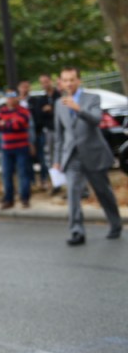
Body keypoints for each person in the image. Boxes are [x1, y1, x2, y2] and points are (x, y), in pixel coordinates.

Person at [53, 66, 122, 245]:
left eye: (72, 80)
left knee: (103, 192)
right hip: (72, 156)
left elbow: (96, 120)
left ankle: (115, 224)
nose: (68, 83)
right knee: (73, 194)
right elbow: (59, 135)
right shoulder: (59, 104)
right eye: (65, 80)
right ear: (61, 82)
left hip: (93, 154)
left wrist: (78, 109)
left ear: (79, 80)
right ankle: (77, 231)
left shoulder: (92, 98)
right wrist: (56, 160)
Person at [0, 90, 33, 209]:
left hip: (21, 147)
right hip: (6, 148)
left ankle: (25, 198)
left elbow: (19, 124)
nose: (10, 100)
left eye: (12, 97)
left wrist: (6, 123)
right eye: (8, 98)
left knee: (23, 173)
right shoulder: (2, 111)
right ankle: (9, 199)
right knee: (6, 174)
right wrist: (8, 123)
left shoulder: (23, 111)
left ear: (17, 99)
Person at [29, 74, 61, 192]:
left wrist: (50, 109)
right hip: (50, 130)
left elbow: (60, 111)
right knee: (52, 157)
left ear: (50, 81)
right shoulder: (41, 99)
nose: (45, 85)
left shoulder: (58, 95)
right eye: (42, 82)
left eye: (46, 81)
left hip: (61, 130)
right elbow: (39, 115)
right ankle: (56, 183)